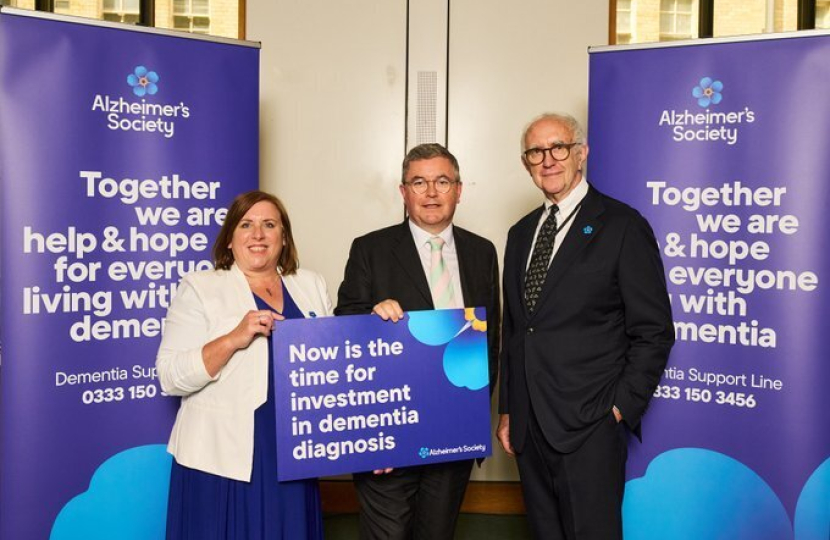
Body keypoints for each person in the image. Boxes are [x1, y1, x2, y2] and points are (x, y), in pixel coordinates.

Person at [497, 113, 675, 540]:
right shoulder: (520, 234)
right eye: (536, 152)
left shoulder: (622, 226)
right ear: (526, 163)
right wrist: (508, 409)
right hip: (529, 426)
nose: (548, 160)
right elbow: (518, 329)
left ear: (581, 153)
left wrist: (619, 408)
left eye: (558, 147)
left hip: (591, 424)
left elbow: (654, 330)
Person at [335, 143, 500, 540]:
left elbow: (492, 339)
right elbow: (345, 328)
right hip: (388, 440)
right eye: (419, 182)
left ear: (459, 189)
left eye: (442, 181)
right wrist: (372, 317)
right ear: (403, 191)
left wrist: (474, 412)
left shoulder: (482, 252)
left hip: (453, 436)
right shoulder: (369, 249)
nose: (430, 193)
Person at [157, 190, 332, 540]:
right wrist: (234, 337)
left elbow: (334, 365)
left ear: (283, 237)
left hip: (293, 447)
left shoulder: (310, 285)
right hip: (220, 455)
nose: (258, 234)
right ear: (230, 239)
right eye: (246, 225)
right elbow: (170, 377)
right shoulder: (200, 288)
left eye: (269, 225)